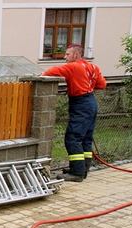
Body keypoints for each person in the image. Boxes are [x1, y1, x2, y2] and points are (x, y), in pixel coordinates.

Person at [42, 44, 106, 182]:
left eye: (67, 54)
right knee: (86, 138)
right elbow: (102, 85)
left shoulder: (74, 66)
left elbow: (53, 71)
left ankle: (77, 173)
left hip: (81, 103)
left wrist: (40, 76)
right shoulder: (93, 67)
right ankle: (83, 169)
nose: (65, 57)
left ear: (76, 55)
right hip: (91, 101)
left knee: (73, 137)